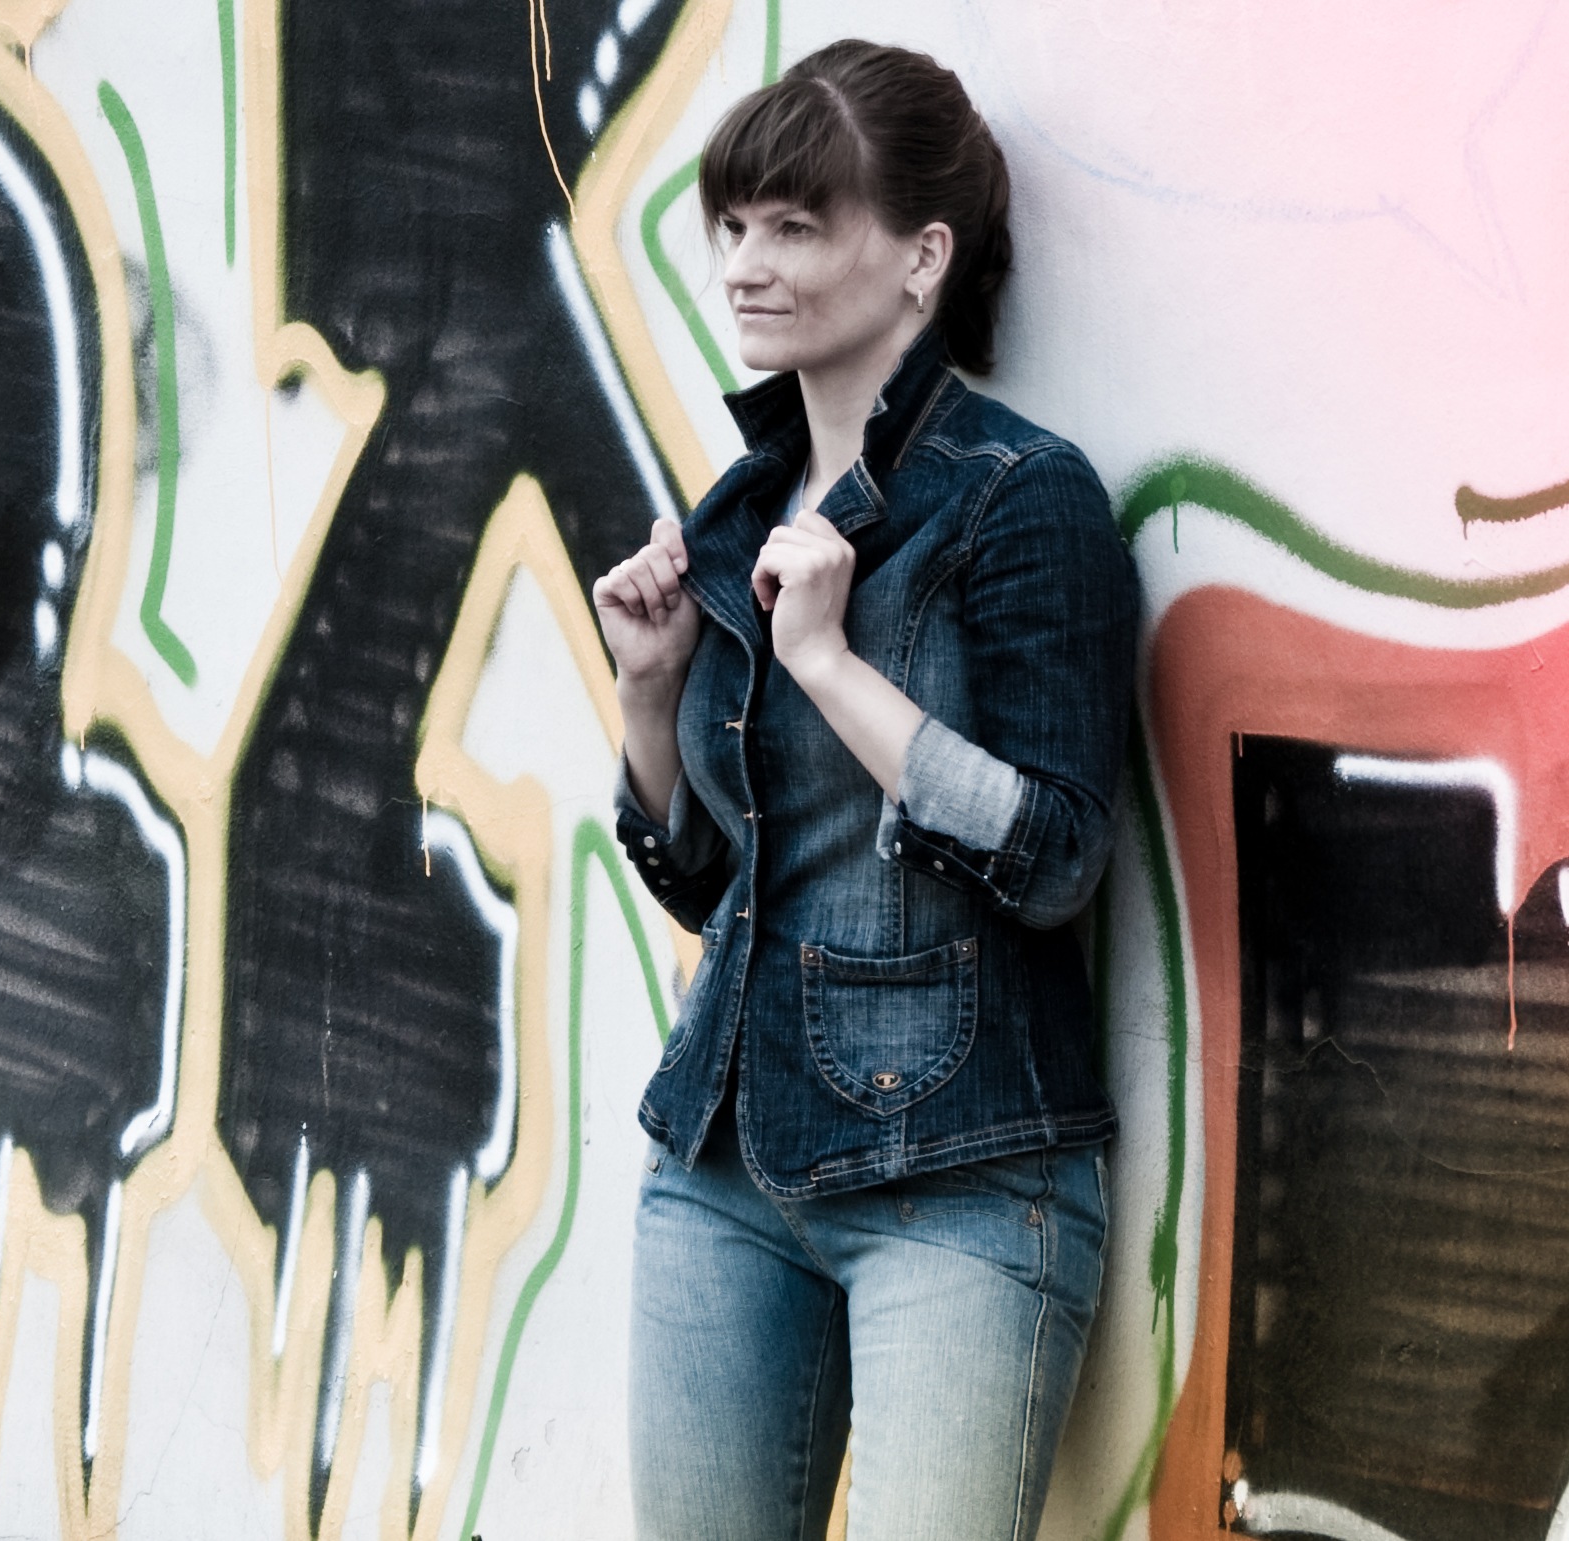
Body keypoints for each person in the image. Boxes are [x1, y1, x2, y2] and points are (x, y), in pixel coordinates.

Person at [592, 39, 1140, 1541]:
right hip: (720, 1165)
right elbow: (713, 882)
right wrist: (649, 692)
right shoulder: (738, 510)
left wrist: (829, 663)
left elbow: (1057, 855)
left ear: (921, 257)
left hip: (957, 1178)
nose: (745, 265)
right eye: (734, 225)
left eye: (796, 225)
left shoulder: (1022, 500)